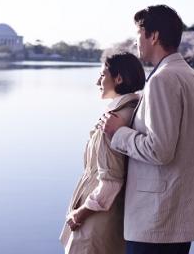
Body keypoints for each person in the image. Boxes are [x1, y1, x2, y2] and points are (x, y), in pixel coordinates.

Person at [103, 5, 194, 254]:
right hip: (180, 210)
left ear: (153, 36)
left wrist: (118, 132)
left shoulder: (162, 80)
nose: (136, 41)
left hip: (157, 215)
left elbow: (159, 149)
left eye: (138, 34)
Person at [60, 52, 146, 254]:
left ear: (118, 78)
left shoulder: (112, 122)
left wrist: (80, 213)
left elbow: (111, 182)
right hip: (117, 216)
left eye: (102, 75)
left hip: (98, 220)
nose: (97, 81)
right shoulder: (134, 110)